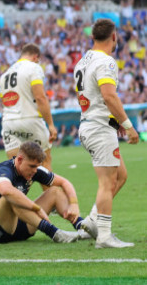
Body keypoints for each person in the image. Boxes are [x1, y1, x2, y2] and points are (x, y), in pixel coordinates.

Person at [74, 18, 140, 248]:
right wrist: (129, 125)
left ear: (93, 37)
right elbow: (109, 96)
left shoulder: (82, 61)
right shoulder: (107, 61)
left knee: (120, 176)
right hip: (99, 128)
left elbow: (94, 98)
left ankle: (92, 221)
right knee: (107, 181)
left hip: (91, 123)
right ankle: (104, 236)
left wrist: (114, 120)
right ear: (114, 37)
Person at [0, 142, 84, 244]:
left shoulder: (35, 170)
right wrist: (36, 208)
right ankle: (54, 233)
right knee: (13, 196)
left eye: (37, 166)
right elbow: (6, 190)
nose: (35, 171)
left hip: (21, 227)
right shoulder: (4, 170)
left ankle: (82, 227)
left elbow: (64, 182)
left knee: (54, 192)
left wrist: (74, 204)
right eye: (32, 166)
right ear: (20, 159)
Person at [0, 43, 58, 169]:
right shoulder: (33, 68)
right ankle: (50, 190)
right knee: (44, 162)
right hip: (30, 119)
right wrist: (51, 125)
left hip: (9, 122)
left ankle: (15, 189)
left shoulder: (5, 74)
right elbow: (40, 98)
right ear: (36, 57)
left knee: (16, 167)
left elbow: (5, 101)